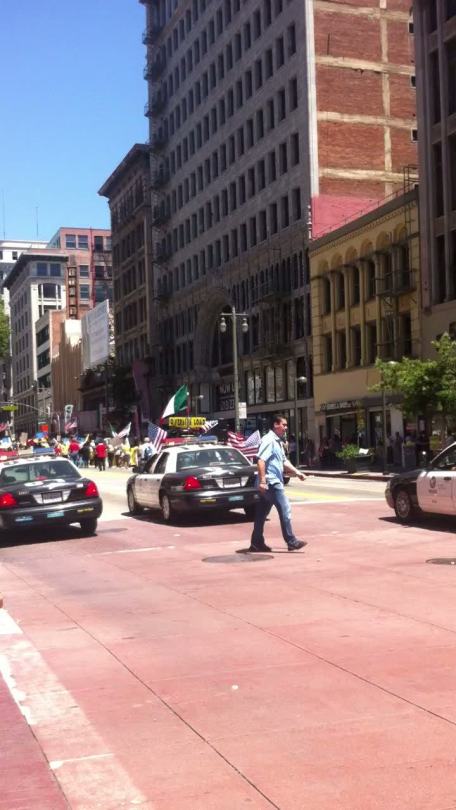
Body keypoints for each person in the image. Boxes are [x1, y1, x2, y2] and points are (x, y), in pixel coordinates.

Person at [249, 414, 307, 552]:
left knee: (262, 513)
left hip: (270, 482)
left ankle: (256, 542)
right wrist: (263, 481)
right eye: (284, 425)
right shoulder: (269, 440)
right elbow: (261, 460)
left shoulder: (277, 441)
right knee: (285, 509)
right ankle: (291, 541)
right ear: (276, 425)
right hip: (271, 482)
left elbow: (284, 461)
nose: (286, 428)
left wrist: (297, 473)